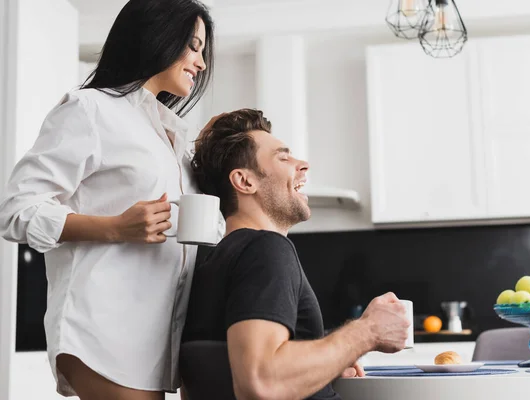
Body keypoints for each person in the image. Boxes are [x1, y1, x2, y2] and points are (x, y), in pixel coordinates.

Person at [0, 1, 220, 398]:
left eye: (202, 50)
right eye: (193, 45)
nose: (200, 63)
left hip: (154, 337)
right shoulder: (90, 109)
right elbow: (18, 210)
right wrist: (115, 227)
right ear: (158, 35)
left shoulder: (171, 137)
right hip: (104, 330)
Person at [183, 109, 412, 400]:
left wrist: (326, 362)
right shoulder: (265, 249)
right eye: (283, 157)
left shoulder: (212, 261)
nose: (303, 164)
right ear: (244, 181)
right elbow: (260, 381)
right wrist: (367, 332)